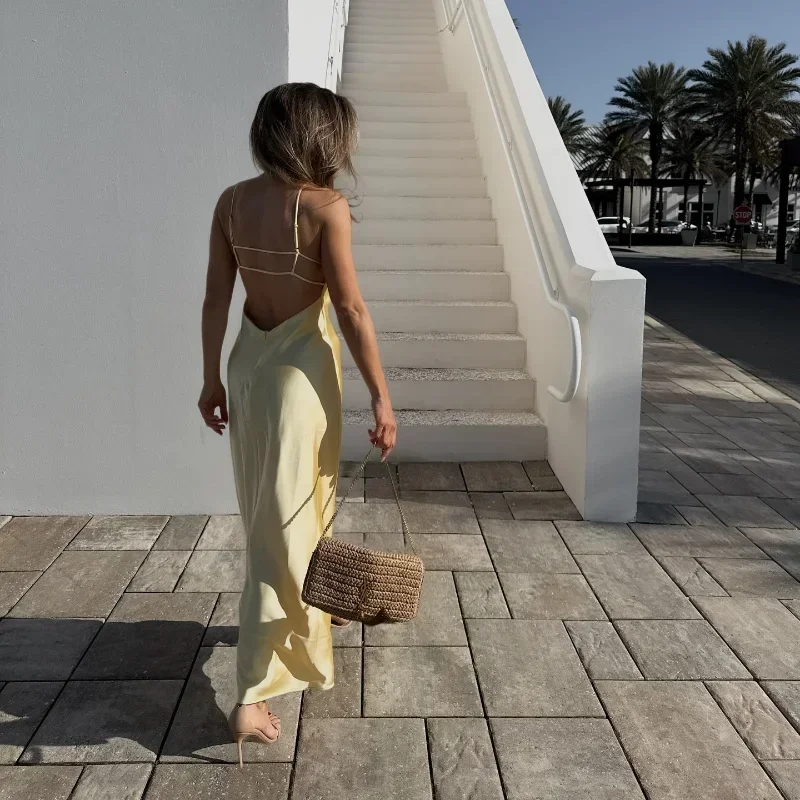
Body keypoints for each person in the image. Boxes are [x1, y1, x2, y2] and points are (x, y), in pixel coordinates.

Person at [197, 83, 396, 765]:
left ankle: (322, 597)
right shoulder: (324, 207)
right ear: (320, 136)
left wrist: (210, 379)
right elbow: (352, 310)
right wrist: (382, 398)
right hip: (298, 380)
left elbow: (215, 299)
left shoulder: (231, 202)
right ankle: (250, 693)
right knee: (278, 528)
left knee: (290, 501)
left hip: (250, 370)